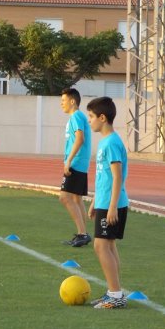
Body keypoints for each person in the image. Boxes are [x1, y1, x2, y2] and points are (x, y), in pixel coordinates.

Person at [86, 97, 129, 309]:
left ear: (102, 118)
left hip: (113, 203)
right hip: (105, 201)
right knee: (108, 245)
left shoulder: (111, 142)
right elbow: (103, 177)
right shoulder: (105, 142)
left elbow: (117, 176)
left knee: (101, 245)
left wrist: (112, 206)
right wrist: (95, 200)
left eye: (91, 117)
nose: (90, 121)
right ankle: (114, 291)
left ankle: (116, 294)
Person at [59, 88, 92, 247]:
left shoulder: (76, 116)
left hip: (76, 163)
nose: (61, 104)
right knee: (76, 199)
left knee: (64, 197)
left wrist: (69, 161)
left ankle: (82, 233)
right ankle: (83, 234)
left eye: (63, 101)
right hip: (80, 163)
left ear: (72, 101)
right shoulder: (77, 117)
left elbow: (80, 139)